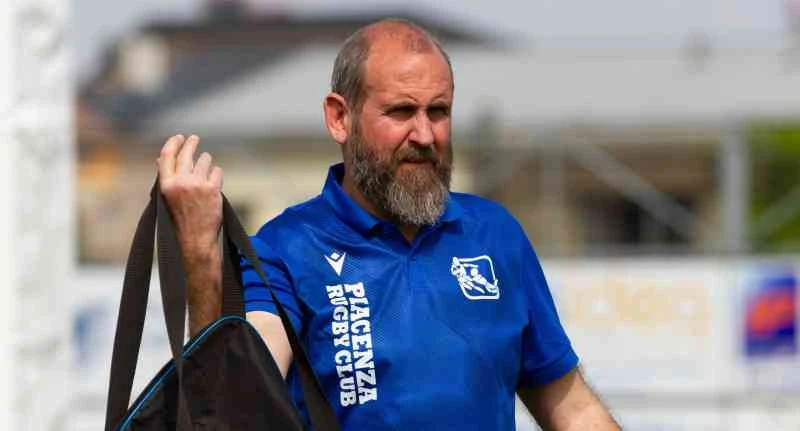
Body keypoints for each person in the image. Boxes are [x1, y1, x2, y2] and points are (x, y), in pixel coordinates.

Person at [157, 18, 620, 431]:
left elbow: (574, 410)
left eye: (438, 111)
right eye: (401, 111)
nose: (424, 135)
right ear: (340, 118)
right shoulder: (284, 249)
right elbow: (235, 405)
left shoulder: (494, 234)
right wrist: (200, 254)